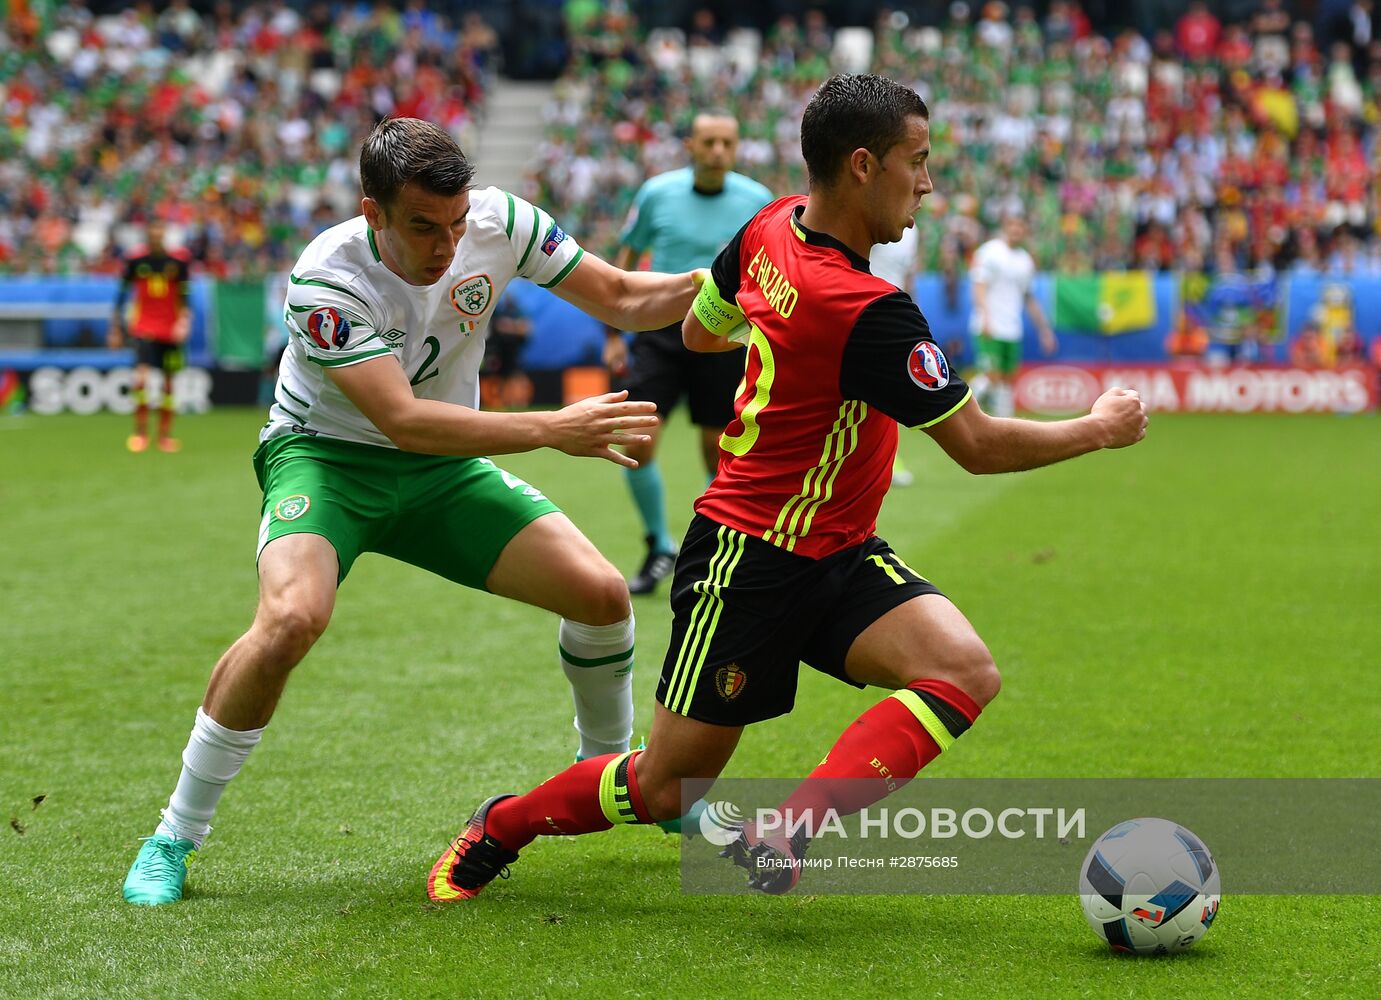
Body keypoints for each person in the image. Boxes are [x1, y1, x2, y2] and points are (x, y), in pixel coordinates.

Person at [430, 74, 1148, 902]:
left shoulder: (770, 223)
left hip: (835, 550)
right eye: (916, 162)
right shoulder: (871, 311)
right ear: (860, 167)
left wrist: (782, 338)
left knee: (961, 670)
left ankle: (788, 828)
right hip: (746, 560)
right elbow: (979, 447)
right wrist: (1098, 426)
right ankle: (501, 823)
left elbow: (700, 332)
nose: (927, 183)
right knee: (666, 787)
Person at [121, 117, 701, 906]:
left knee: (600, 597)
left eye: (457, 224)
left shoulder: (504, 222)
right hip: (328, 458)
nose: (447, 246)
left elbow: (629, 299)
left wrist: (730, 277)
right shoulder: (325, 281)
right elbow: (402, 420)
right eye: (424, 227)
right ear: (374, 213)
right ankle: (173, 836)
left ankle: (602, 780)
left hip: (440, 471)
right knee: (291, 619)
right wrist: (549, 430)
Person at [603, 110, 773, 595]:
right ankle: (659, 544)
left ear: (736, 148)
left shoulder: (756, 199)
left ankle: (712, 551)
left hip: (723, 333)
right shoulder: (657, 193)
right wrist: (614, 328)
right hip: (660, 330)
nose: (718, 150)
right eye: (709, 142)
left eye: (726, 142)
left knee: (717, 450)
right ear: (690, 146)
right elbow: (628, 258)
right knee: (636, 440)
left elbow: (764, 266)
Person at [107, 220, 192, 453]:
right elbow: (121, 295)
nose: (156, 236)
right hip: (144, 327)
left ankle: (165, 436)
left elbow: (185, 298)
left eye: (159, 232)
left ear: (164, 234)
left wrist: (184, 323)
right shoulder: (135, 261)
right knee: (141, 378)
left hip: (170, 329)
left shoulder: (178, 263)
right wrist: (115, 328)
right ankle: (140, 433)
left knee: (168, 383)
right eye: (152, 233)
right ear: (147, 235)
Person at [968, 213, 1057, 418]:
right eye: (1012, 225)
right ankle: (953, 410)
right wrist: (985, 317)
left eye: (1020, 226)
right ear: (1004, 226)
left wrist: (1044, 330)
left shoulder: (1025, 260)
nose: (1016, 230)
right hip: (989, 326)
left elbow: (1028, 297)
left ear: (1025, 230)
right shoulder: (989, 252)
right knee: (991, 377)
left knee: (1007, 381)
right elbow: (978, 286)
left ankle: (1004, 426)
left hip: (1012, 329)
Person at [870, 219, 923, 487]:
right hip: (865, 313)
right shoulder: (874, 217)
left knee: (886, 394)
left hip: (894, 317)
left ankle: (886, 461)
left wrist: (911, 310)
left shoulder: (912, 232)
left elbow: (908, 274)